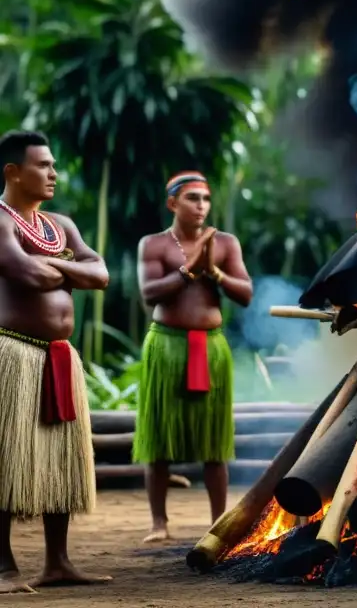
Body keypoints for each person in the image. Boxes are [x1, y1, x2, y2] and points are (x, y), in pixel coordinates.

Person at [0, 131, 111, 593]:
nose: (53, 174)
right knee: (6, 460)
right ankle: (2, 567)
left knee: (61, 460)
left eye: (53, 165)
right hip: (13, 353)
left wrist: (60, 263)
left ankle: (57, 562)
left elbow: (101, 273)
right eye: (43, 165)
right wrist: (69, 266)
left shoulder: (60, 225)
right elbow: (24, 271)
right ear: (12, 171)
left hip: (58, 358)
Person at [133, 171, 253, 543]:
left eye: (205, 199)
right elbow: (150, 293)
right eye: (192, 198)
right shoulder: (154, 244)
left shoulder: (226, 243)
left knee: (214, 441)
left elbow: (245, 294)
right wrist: (189, 271)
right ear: (173, 204)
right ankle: (159, 523)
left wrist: (213, 271)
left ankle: (218, 521)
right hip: (166, 345)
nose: (201, 205)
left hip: (210, 346)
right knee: (157, 438)